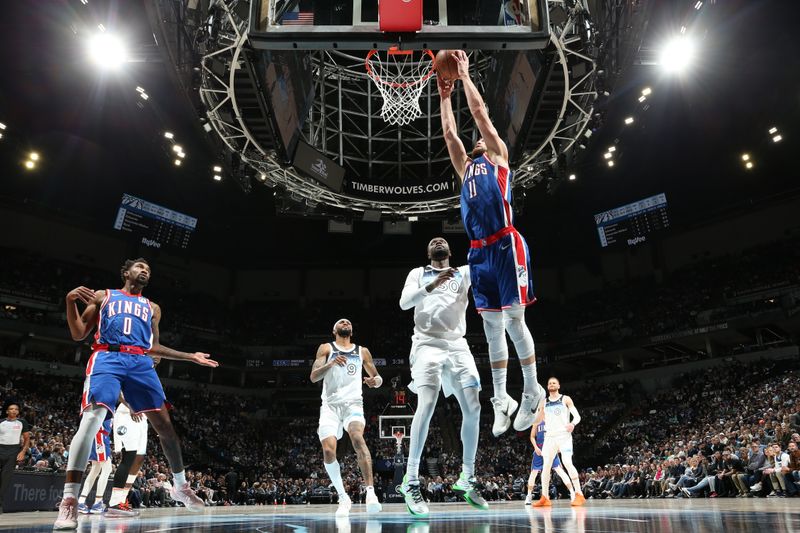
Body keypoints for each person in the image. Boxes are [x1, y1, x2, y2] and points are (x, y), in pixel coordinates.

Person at [54, 258, 219, 530]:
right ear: (126, 272)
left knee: (165, 426)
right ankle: (69, 499)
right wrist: (70, 301)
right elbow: (78, 333)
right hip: (107, 356)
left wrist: (190, 356)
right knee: (92, 419)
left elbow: (153, 346)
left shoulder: (152, 307)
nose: (144, 271)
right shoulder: (104, 296)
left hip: (140, 362)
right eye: (140, 267)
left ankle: (180, 486)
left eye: (149, 270)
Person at [438, 51, 544, 436]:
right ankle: (502, 399)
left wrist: (464, 78)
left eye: (481, 137)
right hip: (479, 251)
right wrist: (443, 94)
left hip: (505, 243)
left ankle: (531, 391)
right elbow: (450, 133)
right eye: (476, 140)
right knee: (491, 328)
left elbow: (481, 114)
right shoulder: (465, 167)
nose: (477, 138)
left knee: (515, 320)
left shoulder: (499, 157)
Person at [397, 237, 487, 517]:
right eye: (433, 241)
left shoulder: (464, 272)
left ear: (449, 251)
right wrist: (433, 284)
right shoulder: (418, 273)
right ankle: (410, 481)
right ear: (429, 252)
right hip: (426, 344)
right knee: (428, 402)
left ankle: (467, 478)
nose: (437, 240)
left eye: (442, 240)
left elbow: (492, 261)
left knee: (474, 406)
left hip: (457, 345)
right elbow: (403, 303)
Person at [309, 318, 383, 516]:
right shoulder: (326, 348)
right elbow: (314, 376)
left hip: (353, 404)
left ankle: (370, 494)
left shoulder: (362, 351)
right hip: (330, 406)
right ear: (334, 329)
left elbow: (378, 379)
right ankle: (343, 497)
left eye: (348, 321)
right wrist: (331, 364)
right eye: (340, 321)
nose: (345, 322)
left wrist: (373, 381)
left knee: (357, 437)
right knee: (328, 451)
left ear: (351, 330)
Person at [532, 377, 585, 507]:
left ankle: (579, 494)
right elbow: (537, 421)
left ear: (559, 385)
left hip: (564, 436)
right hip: (549, 437)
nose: (551, 384)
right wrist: (535, 409)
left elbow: (577, 416)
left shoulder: (565, 399)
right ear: (547, 387)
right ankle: (545, 497)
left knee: (567, 462)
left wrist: (572, 424)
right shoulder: (543, 402)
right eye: (549, 383)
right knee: (546, 467)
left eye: (554, 382)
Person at [105, 392, 150, 516]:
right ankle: (115, 502)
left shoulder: (147, 373)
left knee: (139, 458)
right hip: (127, 413)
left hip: (142, 414)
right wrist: (130, 406)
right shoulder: (127, 372)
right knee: (128, 457)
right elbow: (118, 390)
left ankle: (122, 500)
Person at [525, 419, 575, 504]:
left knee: (560, 471)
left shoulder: (552, 419)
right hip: (539, 450)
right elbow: (532, 437)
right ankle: (529, 495)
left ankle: (572, 493)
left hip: (551, 448)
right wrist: (536, 448)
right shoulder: (537, 421)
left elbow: (559, 435)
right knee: (533, 473)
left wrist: (559, 446)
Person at [0, 401, 31, 514]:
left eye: (16, 409)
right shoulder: (1, 422)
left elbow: (27, 439)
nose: (14, 411)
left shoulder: (22, 422)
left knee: (5, 479)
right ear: (7, 411)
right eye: (11, 409)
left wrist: (23, 451)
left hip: (13, 451)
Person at [76, 419, 113, 514]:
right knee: (107, 468)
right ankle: (97, 502)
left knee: (95, 469)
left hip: (98, 435)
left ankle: (81, 501)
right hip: (100, 435)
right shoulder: (108, 404)